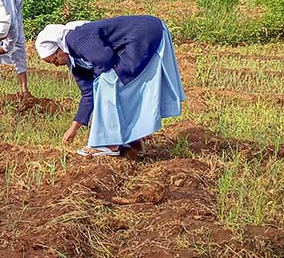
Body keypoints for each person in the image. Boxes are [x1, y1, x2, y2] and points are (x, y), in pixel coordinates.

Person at [34, 15, 185, 157]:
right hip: (143, 34)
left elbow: (104, 58)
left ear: (59, 48)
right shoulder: (75, 64)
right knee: (110, 84)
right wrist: (73, 129)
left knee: (107, 83)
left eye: (54, 60)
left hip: (144, 33)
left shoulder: (75, 38)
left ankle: (108, 144)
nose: (57, 65)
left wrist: (97, 76)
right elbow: (88, 94)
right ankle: (133, 140)